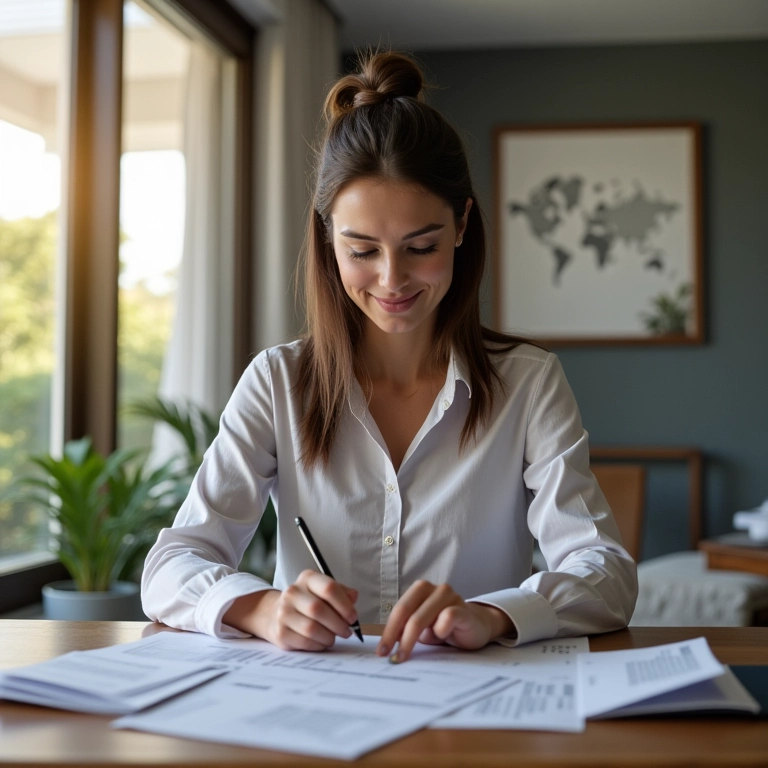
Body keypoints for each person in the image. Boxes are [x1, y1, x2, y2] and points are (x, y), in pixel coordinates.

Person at [142, 51, 637, 663]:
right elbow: (172, 564)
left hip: (472, 705)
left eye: (420, 246)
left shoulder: (528, 382)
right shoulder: (278, 381)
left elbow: (607, 574)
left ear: (461, 225)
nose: (392, 279)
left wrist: (491, 614)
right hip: (310, 706)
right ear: (328, 240)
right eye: (362, 250)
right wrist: (262, 607)